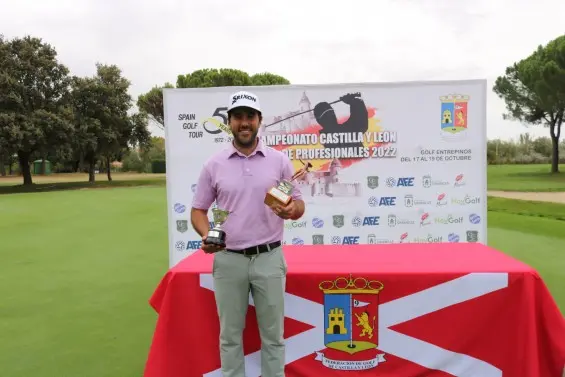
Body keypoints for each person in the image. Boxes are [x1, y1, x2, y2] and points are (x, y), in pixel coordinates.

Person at [190, 90, 306, 377]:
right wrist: (208, 236)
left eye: (250, 117)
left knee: (273, 336)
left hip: (269, 256)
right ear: (229, 122)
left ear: (259, 121)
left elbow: (299, 204)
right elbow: (198, 211)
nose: (245, 122)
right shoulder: (213, 164)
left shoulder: (279, 161)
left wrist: (292, 210)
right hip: (228, 259)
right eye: (238, 117)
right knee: (230, 336)